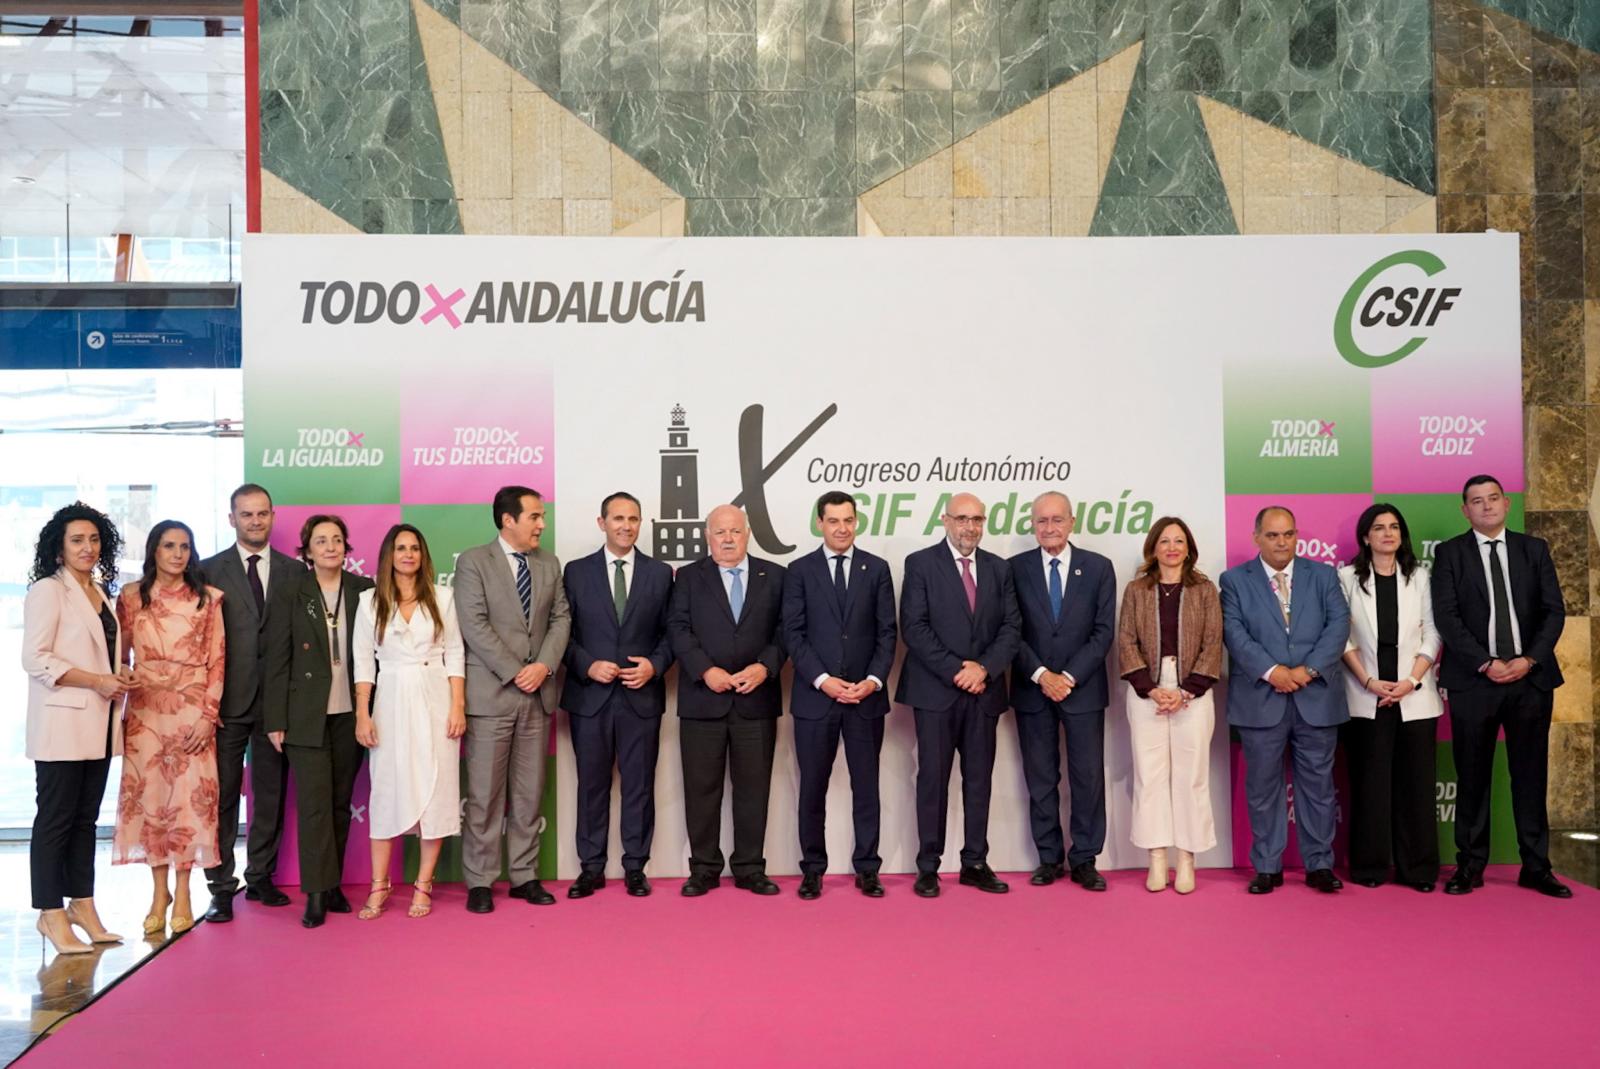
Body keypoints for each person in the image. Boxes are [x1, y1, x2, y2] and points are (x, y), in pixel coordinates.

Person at [1431, 475, 1569, 898]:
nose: (1486, 506)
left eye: (1493, 498)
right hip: (1475, 682)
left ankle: (1536, 867)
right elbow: (1447, 617)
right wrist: (1486, 663)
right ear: (1464, 510)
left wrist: (1527, 660)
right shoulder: (1450, 554)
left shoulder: (1534, 550)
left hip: (1531, 681)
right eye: (1477, 501)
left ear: (1506, 504)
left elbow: (1554, 611)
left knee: (1530, 775)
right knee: (1472, 776)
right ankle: (1470, 866)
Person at [1220, 505, 1350, 895]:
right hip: (1260, 698)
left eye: (1288, 534)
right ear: (1256, 537)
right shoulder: (1234, 581)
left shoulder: (1324, 576)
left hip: (1316, 696)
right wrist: (1273, 671)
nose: (1282, 542)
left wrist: (1307, 671)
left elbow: (1339, 625)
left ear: (1297, 536)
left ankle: (1319, 865)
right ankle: (1267, 865)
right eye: (1273, 535)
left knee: (1319, 787)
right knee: (1262, 788)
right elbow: (1234, 632)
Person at [22, 502, 132, 954]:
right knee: (55, 821)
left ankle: (82, 905)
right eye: (77, 541)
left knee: (85, 821)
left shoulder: (100, 591)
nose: (87, 548)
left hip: (99, 724)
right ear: (59, 548)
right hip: (62, 724)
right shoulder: (48, 590)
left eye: (93, 539)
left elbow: (101, 654)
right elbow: (36, 659)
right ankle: (50, 914)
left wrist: (117, 676)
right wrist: (98, 680)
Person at [898, 492, 1021, 898]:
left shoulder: (999, 569)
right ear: (946, 521)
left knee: (979, 781)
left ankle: (974, 862)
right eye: (962, 519)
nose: (970, 527)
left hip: (983, 692)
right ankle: (928, 866)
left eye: (977, 519)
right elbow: (914, 628)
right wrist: (957, 670)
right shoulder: (920, 564)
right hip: (936, 692)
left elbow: (1011, 628)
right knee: (932, 779)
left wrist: (983, 668)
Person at [454, 486, 570, 913]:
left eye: (542, 517)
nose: (542, 524)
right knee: (484, 794)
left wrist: (543, 666)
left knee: (528, 792)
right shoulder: (473, 562)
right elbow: (474, 625)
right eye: (535, 517)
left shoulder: (548, 564)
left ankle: (524, 875)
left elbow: (561, 618)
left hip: (538, 693)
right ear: (508, 520)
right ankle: (481, 880)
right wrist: (515, 670)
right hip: (492, 694)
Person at [780, 491, 897, 899]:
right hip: (817, 699)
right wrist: (823, 679)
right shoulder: (798, 571)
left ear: (856, 522)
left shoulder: (877, 569)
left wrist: (873, 680)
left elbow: (887, 633)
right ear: (819, 523)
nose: (842, 528)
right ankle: (813, 868)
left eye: (849, 520)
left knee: (867, 786)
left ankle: (868, 867)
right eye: (833, 521)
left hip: (866, 698)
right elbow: (793, 634)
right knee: (813, 786)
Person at [668, 504, 788, 897]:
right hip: (704, 699)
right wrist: (706, 671)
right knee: (701, 789)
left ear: (748, 532)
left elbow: (787, 631)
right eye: (720, 532)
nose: (728, 539)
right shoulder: (687, 577)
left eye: (735, 531)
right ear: (708, 536)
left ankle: (750, 867)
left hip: (756, 699)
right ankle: (703, 868)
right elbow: (678, 630)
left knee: (753, 789)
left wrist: (764, 668)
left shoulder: (776, 576)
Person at [113, 520, 226, 935]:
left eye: (184, 546)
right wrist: (119, 682)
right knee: (151, 799)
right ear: (154, 551)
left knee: (189, 801)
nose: (177, 554)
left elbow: (218, 660)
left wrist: (207, 715)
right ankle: (158, 892)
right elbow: (118, 656)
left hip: (192, 710)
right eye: (168, 546)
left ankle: (185, 890)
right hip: (145, 711)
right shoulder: (129, 597)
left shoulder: (209, 600)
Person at [262, 515, 373, 928]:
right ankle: (314, 893)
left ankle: (332, 885)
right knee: (313, 807)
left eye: (337, 540)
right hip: (304, 715)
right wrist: (275, 718)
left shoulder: (365, 591)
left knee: (339, 804)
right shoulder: (292, 591)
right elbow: (276, 659)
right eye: (321, 541)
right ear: (307, 550)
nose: (330, 547)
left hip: (351, 714)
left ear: (347, 547)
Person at [560, 492, 673, 899]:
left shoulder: (660, 574)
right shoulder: (575, 572)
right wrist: (587, 664)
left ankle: (634, 867)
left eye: (634, 518)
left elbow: (671, 635)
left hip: (641, 699)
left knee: (639, 786)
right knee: (591, 785)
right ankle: (590, 868)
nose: (626, 525)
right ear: (601, 522)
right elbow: (561, 636)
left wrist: (654, 666)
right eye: (618, 518)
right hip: (589, 697)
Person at [353, 524, 465, 920]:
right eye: (401, 548)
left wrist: (457, 706)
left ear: (423, 555)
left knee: (437, 788)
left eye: (415, 548)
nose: (408, 554)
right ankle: (379, 885)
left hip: (435, 697)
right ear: (389, 555)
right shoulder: (369, 601)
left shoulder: (443, 597)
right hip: (390, 700)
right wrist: (362, 713)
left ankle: (423, 884)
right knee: (386, 790)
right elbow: (364, 661)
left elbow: (455, 652)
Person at [1008, 492, 1116, 892]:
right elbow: (1009, 630)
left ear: (1072, 522)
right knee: (1041, 777)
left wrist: (1067, 676)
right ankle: (1049, 858)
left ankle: (1086, 858)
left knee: (1087, 777)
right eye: (1041, 521)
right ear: (1032, 525)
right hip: (1032, 688)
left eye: (1056, 520)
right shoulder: (1013, 569)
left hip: (1083, 689)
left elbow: (1103, 631)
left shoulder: (1099, 568)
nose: (1049, 528)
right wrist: (1040, 674)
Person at [200, 483, 297, 921]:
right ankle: (221, 888)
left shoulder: (296, 573)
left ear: (273, 516)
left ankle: (262, 878)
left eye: (262, 513)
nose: (255, 521)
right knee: (222, 799)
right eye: (246, 514)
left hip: (277, 706)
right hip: (225, 706)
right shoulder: (207, 572)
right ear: (231, 519)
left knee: (270, 796)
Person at [1338, 504, 1442, 892]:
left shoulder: (1420, 577)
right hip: (1365, 696)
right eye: (1378, 528)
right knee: (1370, 786)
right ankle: (1370, 866)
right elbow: (1342, 638)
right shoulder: (1346, 578)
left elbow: (1433, 633)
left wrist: (1410, 682)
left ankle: (1418, 869)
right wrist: (1369, 681)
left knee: (1416, 786)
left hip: (1414, 697)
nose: (1387, 534)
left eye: (1394, 527)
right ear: (1365, 536)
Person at [1116, 516, 1222, 894]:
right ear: (1154, 548)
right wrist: (1150, 688)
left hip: (1193, 695)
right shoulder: (1137, 589)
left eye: (1179, 541)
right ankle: (1157, 858)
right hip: (1147, 693)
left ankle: (1187, 859)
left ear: (1189, 548)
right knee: (1150, 776)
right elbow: (1125, 640)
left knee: (1191, 777)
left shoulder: (1205, 590)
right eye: (1165, 541)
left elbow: (1213, 643)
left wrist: (1187, 690)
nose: (1172, 548)